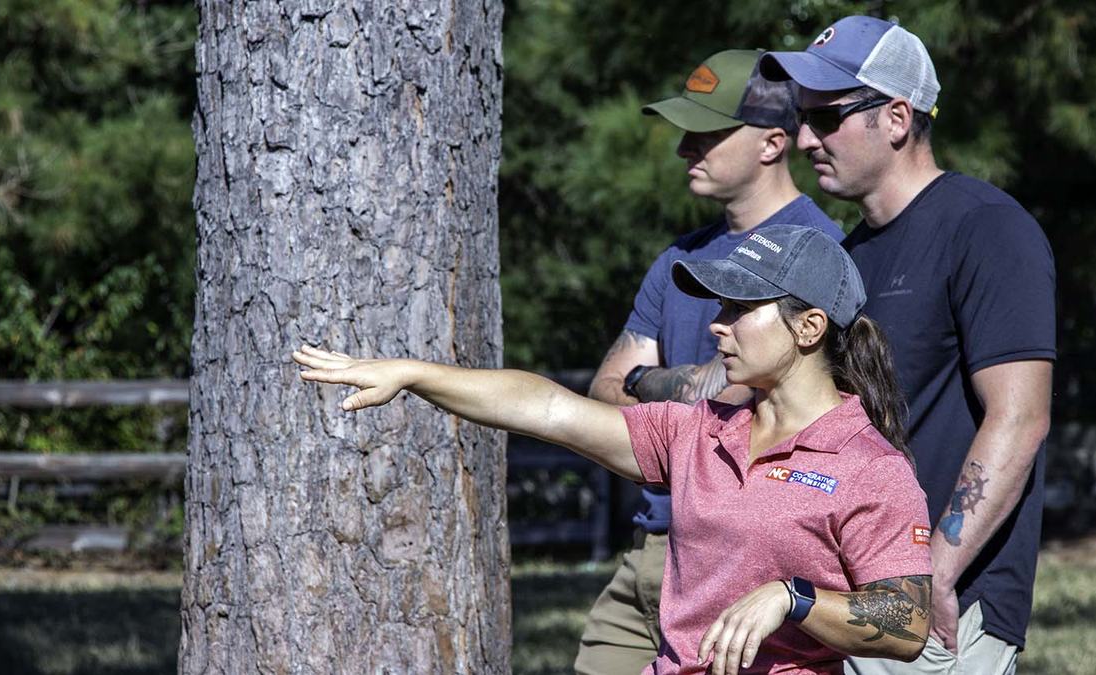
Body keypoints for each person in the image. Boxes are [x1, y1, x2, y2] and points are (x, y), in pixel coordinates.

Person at [293, 224, 933, 675]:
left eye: (741, 308)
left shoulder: (868, 467)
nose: (718, 323)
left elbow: (907, 622)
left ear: (809, 327)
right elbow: (548, 409)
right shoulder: (698, 429)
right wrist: (414, 375)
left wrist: (793, 597)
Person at [760, 15, 1056, 674]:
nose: (805, 138)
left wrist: (934, 574)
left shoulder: (986, 229)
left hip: (934, 607)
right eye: (802, 117)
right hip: (844, 599)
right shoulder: (844, 256)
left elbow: (1021, 416)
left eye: (827, 116)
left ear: (896, 118)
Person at [581, 49, 842, 675]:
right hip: (649, 552)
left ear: (773, 142)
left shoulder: (820, 255)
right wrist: (681, 385)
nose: (684, 150)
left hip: (742, 566)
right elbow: (603, 394)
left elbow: (789, 410)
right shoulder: (678, 258)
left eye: (707, 134)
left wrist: (647, 386)